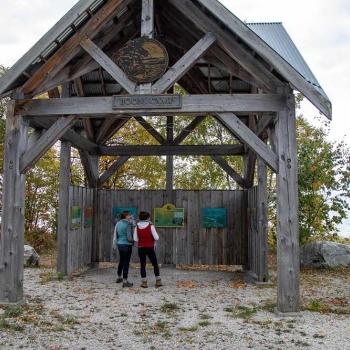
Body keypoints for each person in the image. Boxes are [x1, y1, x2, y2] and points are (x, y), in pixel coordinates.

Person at [133, 211, 162, 288]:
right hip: (150, 247)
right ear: (148, 217)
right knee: (155, 264)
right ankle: (158, 281)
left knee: (143, 265)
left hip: (141, 247)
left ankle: (144, 282)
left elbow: (135, 239)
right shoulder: (151, 226)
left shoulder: (137, 227)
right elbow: (157, 237)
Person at [113, 211, 134, 288]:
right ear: (126, 216)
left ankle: (119, 277)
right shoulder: (129, 224)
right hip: (127, 245)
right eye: (129, 215)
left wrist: (114, 244)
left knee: (121, 260)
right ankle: (125, 281)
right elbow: (131, 235)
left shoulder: (118, 224)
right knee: (126, 262)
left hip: (120, 244)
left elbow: (115, 235)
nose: (130, 216)